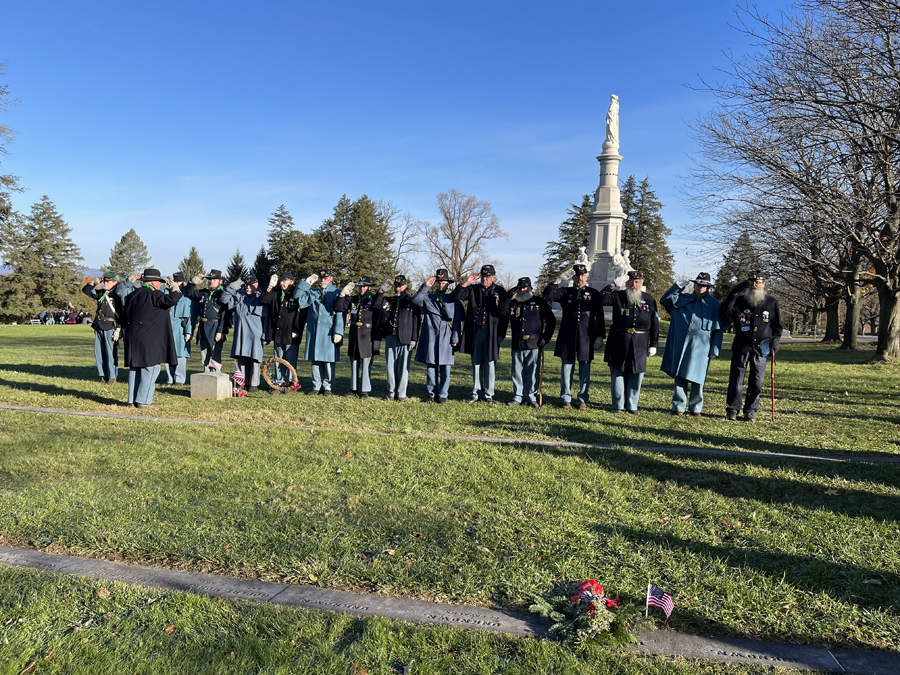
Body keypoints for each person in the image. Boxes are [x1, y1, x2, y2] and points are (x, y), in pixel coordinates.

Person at [720, 270, 783, 422]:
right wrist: (734, 292)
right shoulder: (740, 300)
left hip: (762, 347)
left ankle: (751, 410)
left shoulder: (771, 302)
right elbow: (724, 312)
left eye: (758, 282)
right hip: (742, 345)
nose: (755, 285)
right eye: (751, 282)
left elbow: (777, 327)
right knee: (736, 380)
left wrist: (775, 341)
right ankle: (732, 409)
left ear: (764, 284)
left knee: (757, 381)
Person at [542, 263, 606, 410]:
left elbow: (599, 316)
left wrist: (600, 336)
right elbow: (548, 294)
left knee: (584, 369)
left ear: (587, 276)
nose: (580, 278)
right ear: (574, 276)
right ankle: (566, 398)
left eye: (583, 275)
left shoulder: (593, 293)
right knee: (566, 368)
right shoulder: (566, 292)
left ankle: (583, 399)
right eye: (577, 275)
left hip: (586, 336)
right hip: (568, 334)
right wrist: (558, 280)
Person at [659, 273, 723, 417]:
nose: (701, 287)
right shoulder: (682, 298)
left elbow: (718, 329)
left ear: (708, 287)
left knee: (698, 377)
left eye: (704, 285)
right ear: (694, 285)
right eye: (699, 284)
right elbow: (664, 300)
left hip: (702, 345)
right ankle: (678, 406)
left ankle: (696, 408)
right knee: (680, 375)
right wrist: (677, 287)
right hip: (681, 343)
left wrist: (715, 349)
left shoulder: (714, 304)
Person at [600, 270, 659, 414]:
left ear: (641, 283)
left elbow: (654, 323)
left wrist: (654, 344)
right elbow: (601, 300)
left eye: (637, 282)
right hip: (619, 339)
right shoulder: (618, 296)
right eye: (631, 282)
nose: (634, 284)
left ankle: (632, 405)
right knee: (618, 371)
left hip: (640, 341)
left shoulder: (649, 299)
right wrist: (613, 284)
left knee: (636, 372)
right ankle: (618, 404)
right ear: (626, 283)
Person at [121, 268, 182, 408]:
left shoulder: (133, 295)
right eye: (159, 282)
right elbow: (172, 300)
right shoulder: (154, 295)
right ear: (153, 282)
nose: (160, 285)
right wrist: (175, 288)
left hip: (133, 336)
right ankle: (144, 401)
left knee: (135, 368)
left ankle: (132, 400)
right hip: (150, 338)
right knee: (151, 368)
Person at [452, 264, 510, 403]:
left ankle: (488, 394)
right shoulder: (473, 289)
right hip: (476, 330)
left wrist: (501, 334)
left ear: (493, 277)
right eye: (483, 276)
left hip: (492, 332)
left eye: (488, 277)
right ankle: (476, 392)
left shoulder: (500, 291)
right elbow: (455, 296)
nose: (485, 279)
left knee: (490, 362)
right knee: (476, 362)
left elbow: (505, 314)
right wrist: (467, 282)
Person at [412, 269, 462, 403]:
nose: (441, 285)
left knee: (446, 367)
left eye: (444, 283)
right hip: (431, 336)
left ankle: (443, 394)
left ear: (448, 284)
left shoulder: (454, 300)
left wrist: (456, 337)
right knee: (431, 366)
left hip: (447, 336)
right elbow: (415, 300)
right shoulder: (429, 298)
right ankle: (432, 393)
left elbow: (457, 320)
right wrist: (426, 285)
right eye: (439, 283)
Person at [506, 277, 556, 407]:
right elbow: (501, 312)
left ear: (530, 288)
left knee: (533, 371)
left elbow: (551, 320)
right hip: (517, 341)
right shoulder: (513, 302)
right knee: (517, 372)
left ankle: (531, 397)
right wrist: (507, 296)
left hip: (534, 342)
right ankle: (517, 397)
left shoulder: (539, 302)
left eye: (525, 287)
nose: (523, 290)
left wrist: (545, 337)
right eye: (520, 288)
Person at [293, 267, 344, 396]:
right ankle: (316, 386)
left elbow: (340, 313)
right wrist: (306, 283)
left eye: (326, 278)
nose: (323, 280)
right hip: (314, 330)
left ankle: (327, 387)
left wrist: (338, 331)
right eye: (321, 278)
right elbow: (297, 297)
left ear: (331, 278)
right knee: (315, 360)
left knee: (328, 360)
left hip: (328, 330)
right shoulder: (313, 291)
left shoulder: (337, 292)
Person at [335, 276, 386, 398]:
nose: (362, 289)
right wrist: (342, 295)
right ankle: (353, 389)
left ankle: (364, 390)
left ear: (369, 287)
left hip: (367, 334)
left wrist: (380, 293)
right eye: (360, 286)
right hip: (354, 333)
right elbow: (338, 307)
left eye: (364, 286)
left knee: (366, 362)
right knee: (354, 362)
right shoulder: (353, 299)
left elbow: (378, 307)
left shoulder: (373, 299)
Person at [376, 274, 422, 402]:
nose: (398, 289)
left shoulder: (412, 301)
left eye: (400, 286)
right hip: (391, 336)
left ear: (405, 286)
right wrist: (380, 292)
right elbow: (376, 305)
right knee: (390, 366)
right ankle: (391, 392)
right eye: (396, 286)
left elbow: (416, 321)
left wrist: (414, 338)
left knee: (403, 367)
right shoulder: (389, 300)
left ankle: (401, 393)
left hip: (406, 338)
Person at [221, 274, 268, 393]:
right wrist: (234, 285)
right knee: (241, 357)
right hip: (241, 333)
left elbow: (266, 319)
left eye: (251, 285)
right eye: (246, 285)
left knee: (255, 358)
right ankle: (242, 381)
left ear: (256, 285)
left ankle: (253, 383)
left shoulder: (261, 297)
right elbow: (224, 299)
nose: (248, 287)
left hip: (255, 333)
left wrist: (265, 335)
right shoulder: (240, 296)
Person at [259, 271, 305, 390]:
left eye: (284, 281)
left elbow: (301, 313)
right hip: (278, 331)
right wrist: (270, 286)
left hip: (291, 331)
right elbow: (263, 300)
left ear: (291, 281)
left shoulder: (295, 292)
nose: (282, 283)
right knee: (279, 357)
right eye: (281, 281)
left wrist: (297, 329)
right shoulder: (276, 291)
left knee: (290, 358)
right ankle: (279, 381)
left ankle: (291, 382)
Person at [183, 269, 229, 371]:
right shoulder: (204, 292)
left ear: (220, 281)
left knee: (215, 356)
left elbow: (224, 315)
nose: (211, 281)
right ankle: (206, 376)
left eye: (214, 280)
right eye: (209, 280)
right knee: (204, 356)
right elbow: (189, 292)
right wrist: (192, 283)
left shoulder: (222, 295)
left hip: (215, 327)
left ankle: (216, 376)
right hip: (203, 327)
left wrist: (220, 331)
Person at [82, 274, 125, 384]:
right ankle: (103, 374)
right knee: (99, 353)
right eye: (105, 281)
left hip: (110, 325)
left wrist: (119, 329)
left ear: (115, 282)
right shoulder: (101, 293)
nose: (106, 283)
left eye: (108, 281)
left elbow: (122, 313)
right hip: (98, 325)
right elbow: (86, 291)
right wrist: (94, 283)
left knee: (110, 353)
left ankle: (112, 376)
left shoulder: (117, 295)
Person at [165, 272, 195, 386]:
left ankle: (180, 379)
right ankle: (170, 378)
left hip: (180, 327)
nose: (177, 284)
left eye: (179, 282)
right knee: (168, 353)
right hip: (168, 326)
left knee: (181, 354)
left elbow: (189, 317)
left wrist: (188, 331)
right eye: (175, 282)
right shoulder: (167, 293)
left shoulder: (187, 295)